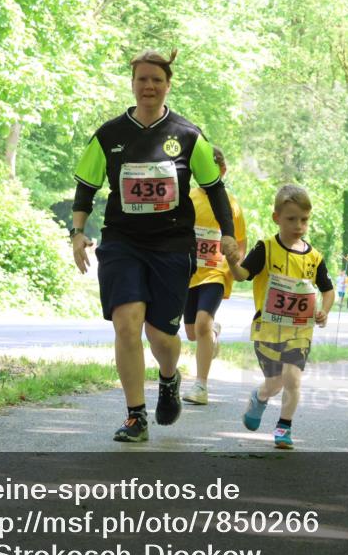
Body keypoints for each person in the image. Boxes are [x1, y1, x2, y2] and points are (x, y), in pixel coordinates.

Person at [70, 49, 239, 443]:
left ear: (168, 85)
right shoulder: (110, 135)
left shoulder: (188, 135)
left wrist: (228, 234)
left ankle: (168, 377)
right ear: (132, 83)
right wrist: (77, 232)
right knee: (127, 325)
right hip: (122, 242)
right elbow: (86, 187)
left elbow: (215, 189)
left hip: (171, 245)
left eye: (156, 80)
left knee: (161, 337)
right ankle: (135, 416)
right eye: (142, 79)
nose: (149, 86)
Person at [227, 184, 334, 450]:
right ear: (276, 218)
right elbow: (242, 275)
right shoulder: (265, 248)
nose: (299, 225)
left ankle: (284, 428)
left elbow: (328, 290)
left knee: (292, 379)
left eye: (304, 220)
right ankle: (260, 397)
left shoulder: (315, 258)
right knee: (275, 383)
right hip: (267, 331)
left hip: (299, 332)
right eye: (291, 219)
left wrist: (324, 310)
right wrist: (231, 263)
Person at [182, 147, 247, 405]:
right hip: (189, 272)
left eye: (212, 168)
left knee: (201, 324)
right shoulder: (188, 197)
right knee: (191, 332)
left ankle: (201, 386)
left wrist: (235, 265)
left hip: (216, 271)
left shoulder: (231, 203)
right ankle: (213, 333)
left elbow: (239, 240)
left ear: (222, 170)